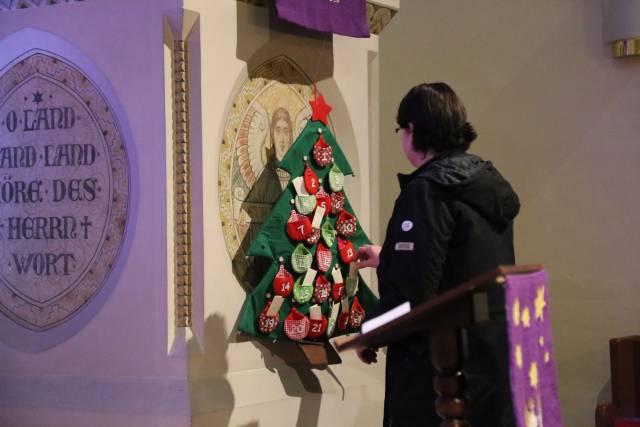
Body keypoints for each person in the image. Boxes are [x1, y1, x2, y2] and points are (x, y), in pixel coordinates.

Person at [354, 82, 520, 426]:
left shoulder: (428, 191)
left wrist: (371, 331)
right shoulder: (486, 185)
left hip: (440, 376)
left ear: (412, 130)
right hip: (489, 364)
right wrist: (390, 258)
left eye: (401, 130)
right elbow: (464, 265)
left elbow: (413, 295)